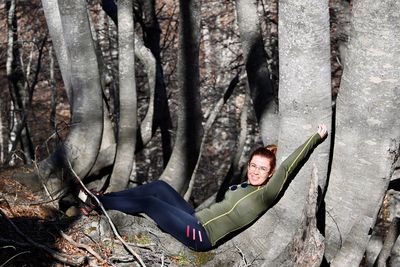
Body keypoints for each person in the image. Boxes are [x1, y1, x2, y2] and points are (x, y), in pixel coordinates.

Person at [78, 124, 328, 251]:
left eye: (262, 169)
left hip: (201, 236)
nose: (255, 171)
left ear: (270, 174)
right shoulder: (242, 186)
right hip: (194, 218)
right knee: (159, 187)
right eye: (253, 165)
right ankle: (104, 197)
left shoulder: (266, 193)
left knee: (151, 203)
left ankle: (96, 202)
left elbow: (288, 167)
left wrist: (314, 138)